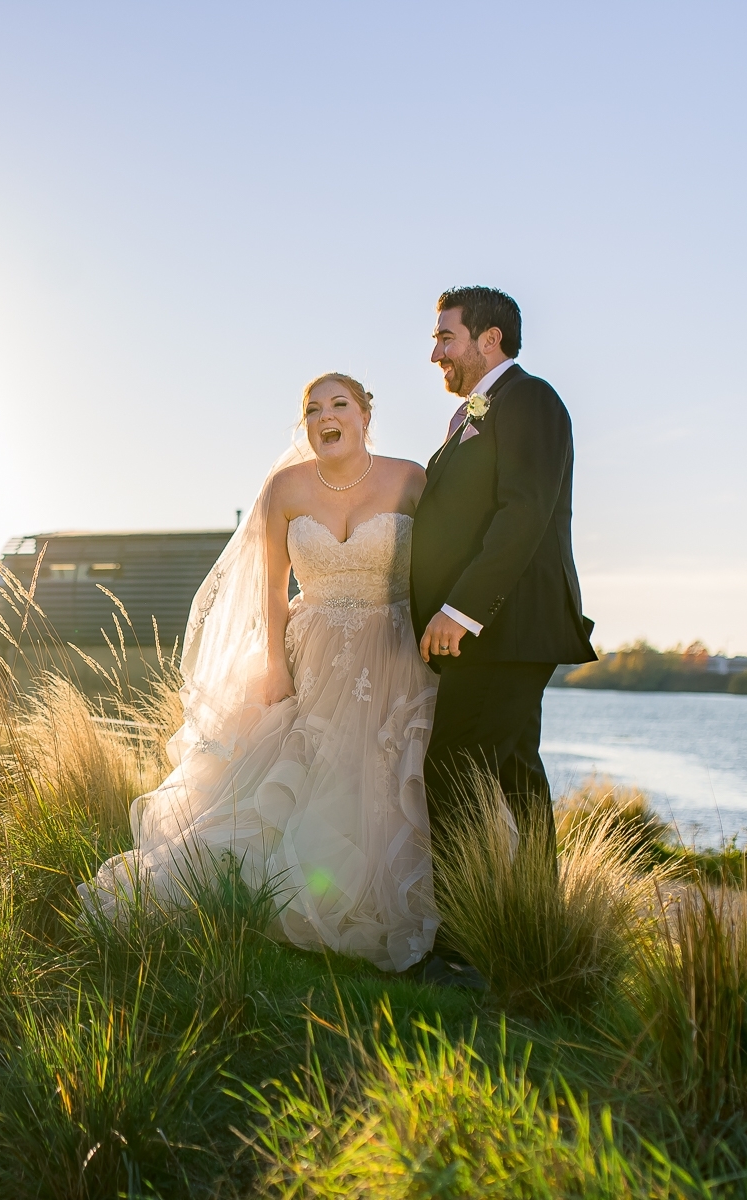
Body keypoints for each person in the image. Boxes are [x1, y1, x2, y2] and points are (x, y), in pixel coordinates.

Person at [79, 372, 439, 972]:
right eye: (313, 408)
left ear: (365, 414)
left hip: (392, 650)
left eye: (340, 404)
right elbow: (273, 589)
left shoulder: (410, 479)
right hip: (309, 649)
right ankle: (280, 892)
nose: (326, 416)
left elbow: (439, 567)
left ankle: (366, 895)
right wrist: (275, 662)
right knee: (296, 773)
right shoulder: (286, 488)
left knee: (375, 774)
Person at [411, 285, 597, 976]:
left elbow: (524, 513)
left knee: (454, 770)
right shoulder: (474, 416)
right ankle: (534, 925)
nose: (435, 353)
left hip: (508, 626)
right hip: (498, 630)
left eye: (445, 337)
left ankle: (460, 949)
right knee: (514, 774)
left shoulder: (532, 400)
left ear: (489, 339)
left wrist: (460, 612)